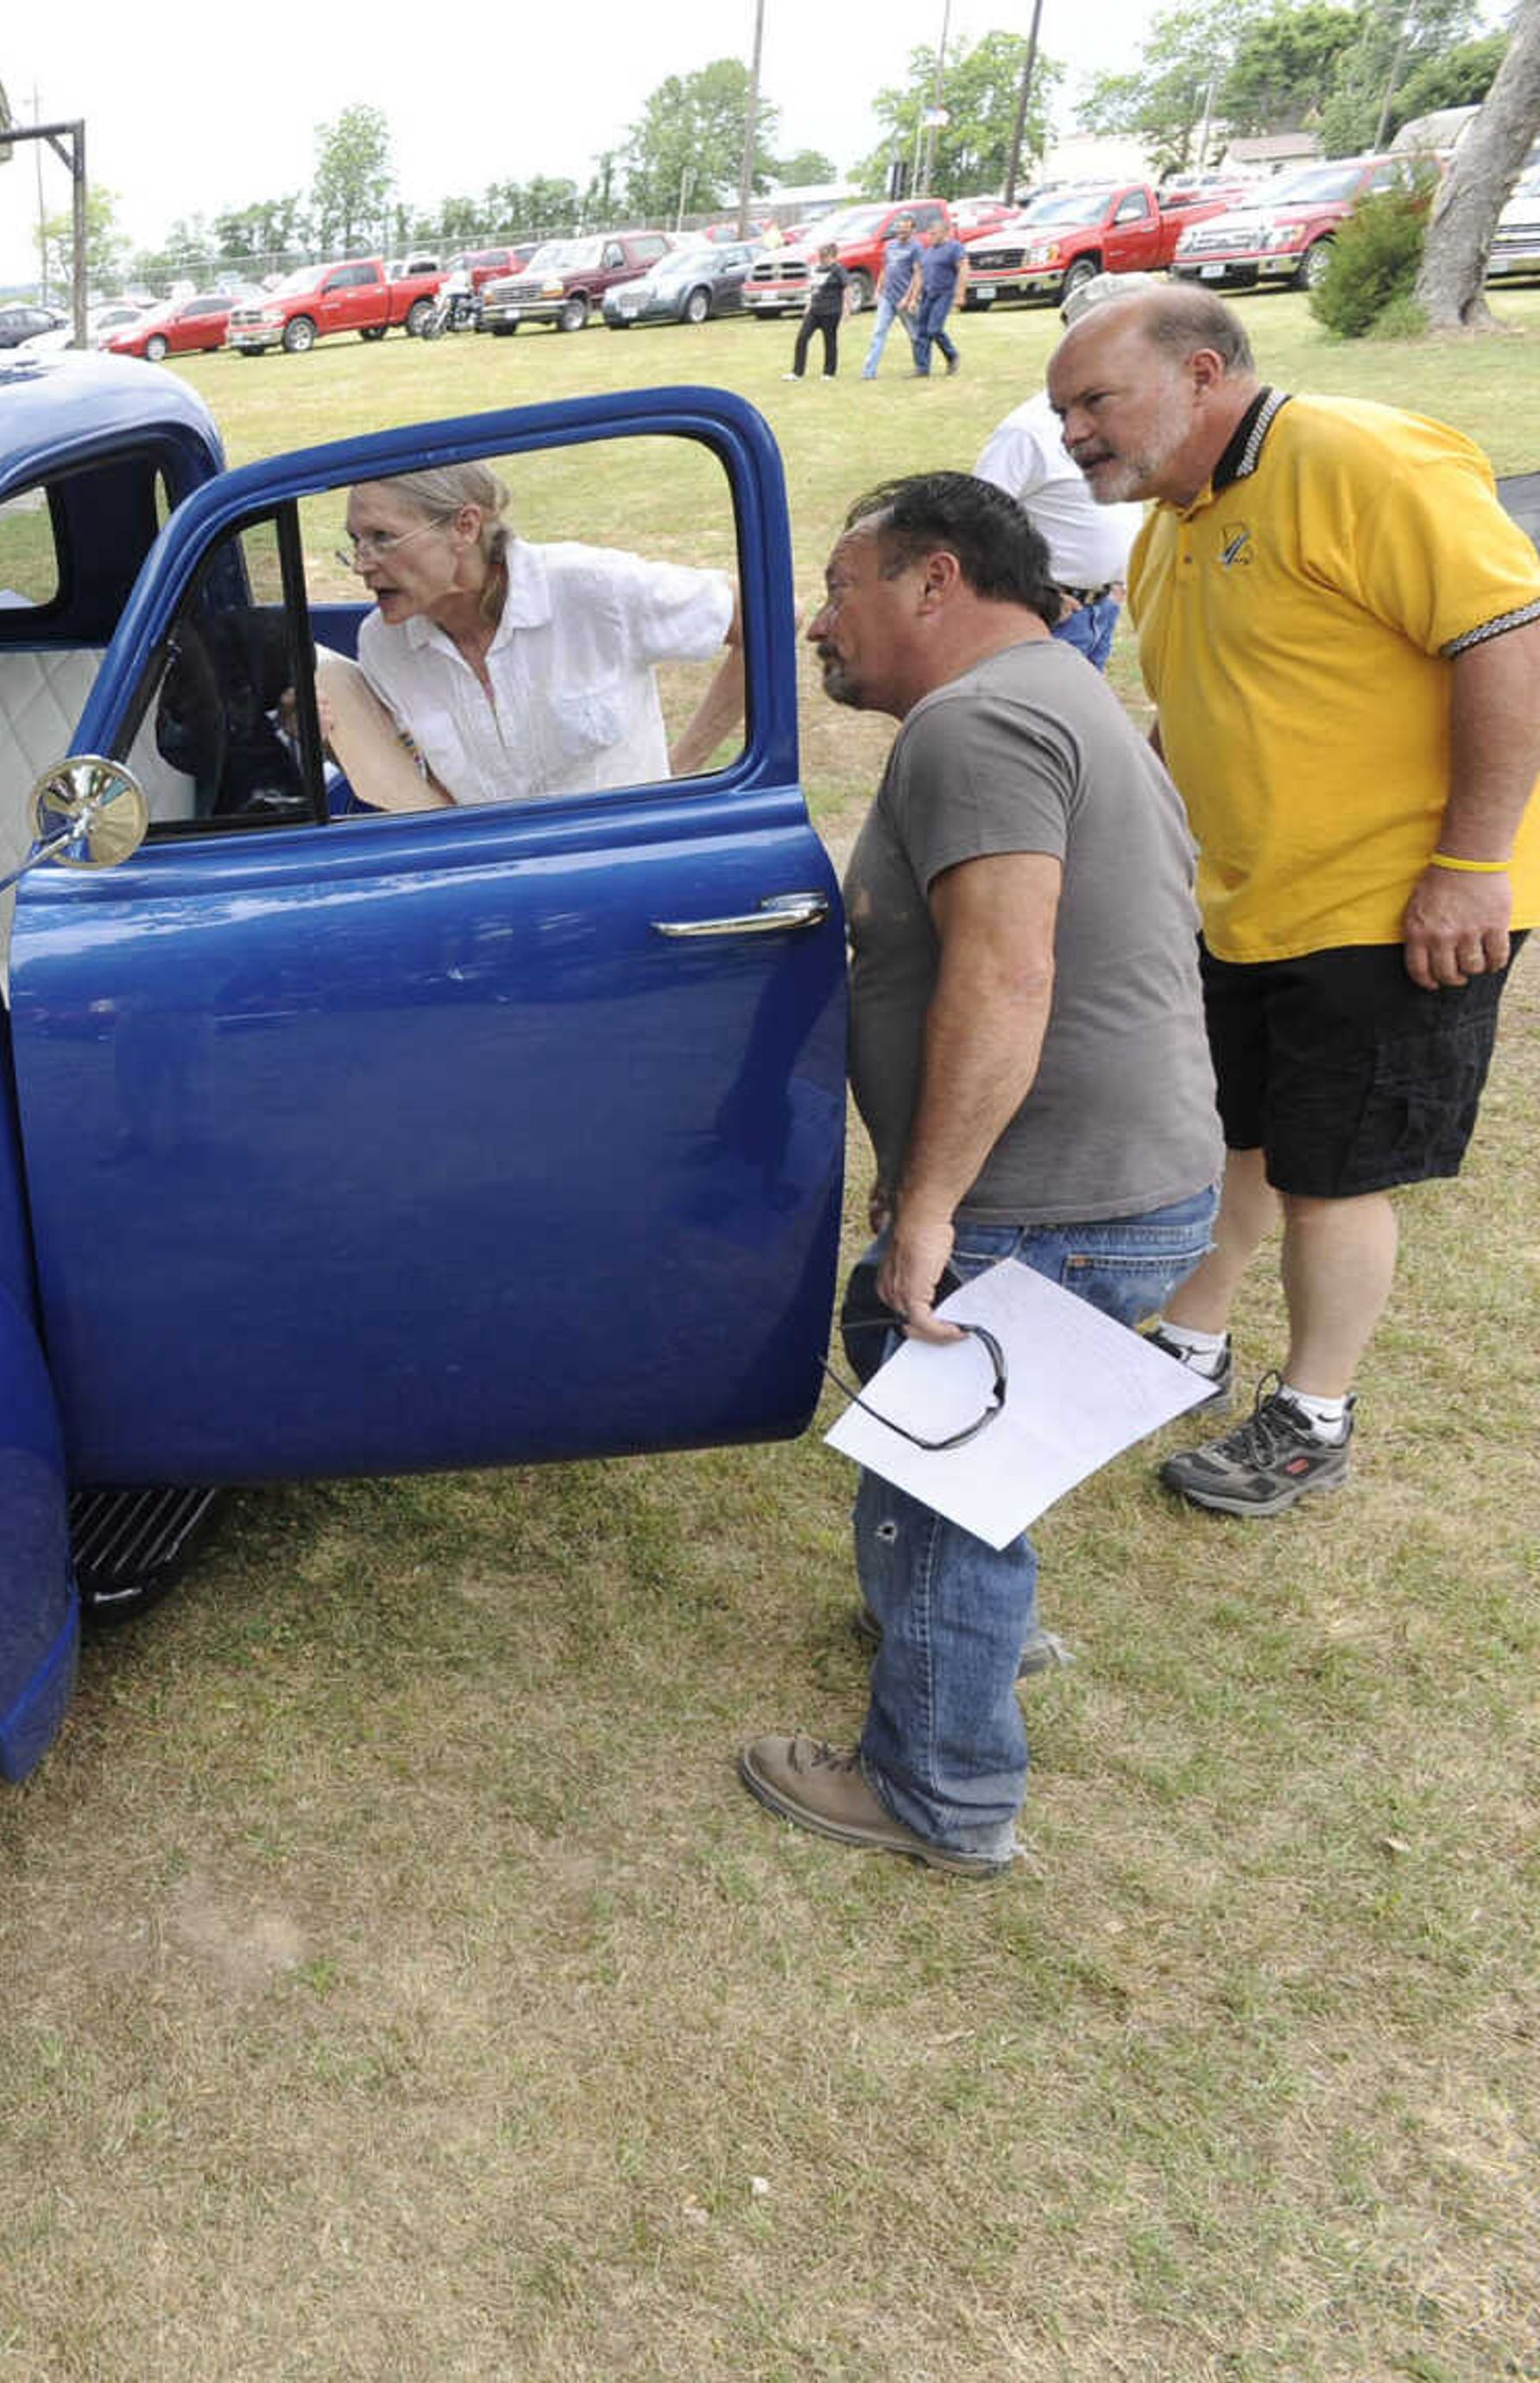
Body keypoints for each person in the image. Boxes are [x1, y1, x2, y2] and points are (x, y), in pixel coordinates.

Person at [741, 471, 1221, 1876]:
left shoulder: (979, 724)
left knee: (949, 1483)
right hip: (1119, 1174)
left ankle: (938, 1794)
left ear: (934, 581)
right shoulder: (1053, 694)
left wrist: (933, 1209)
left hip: (1055, 1194)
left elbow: (1006, 976)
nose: (820, 623)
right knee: (903, 1368)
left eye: (841, 588)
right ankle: (948, 1628)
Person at [1048, 286, 1540, 1517]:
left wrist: (1471, 865)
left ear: (1202, 373)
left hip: (1392, 902)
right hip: (1247, 901)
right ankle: (1193, 1344)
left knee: (1335, 1169)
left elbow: (1508, 638)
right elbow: (1196, 713)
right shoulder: (1169, 526)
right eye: (1062, 412)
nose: (1074, 435)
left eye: (1096, 402)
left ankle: (1315, 1416)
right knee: (1238, 1140)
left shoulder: (1359, 457)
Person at [313, 461, 746, 810]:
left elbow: (762, 613)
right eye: (355, 542)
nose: (360, 565)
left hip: (629, 870)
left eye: (381, 538)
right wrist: (332, 739)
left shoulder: (590, 588)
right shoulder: (381, 644)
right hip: (505, 891)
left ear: (464, 526)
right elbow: (426, 787)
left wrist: (679, 773)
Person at [971, 273, 1144, 669]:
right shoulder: (1029, 431)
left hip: (1100, 611)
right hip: (1050, 620)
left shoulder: (1134, 420)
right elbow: (970, 525)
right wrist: (1038, 595)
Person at [860, 212, 928, 380]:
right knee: (878, 333)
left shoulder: (916, 248)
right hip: (887, 298)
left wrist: (911, 299)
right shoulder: (890, 246)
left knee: (915, 334)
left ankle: (922, 367)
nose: (901, 233)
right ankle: (869, 372)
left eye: (905, 230)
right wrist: (877, 291)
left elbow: (918, 275)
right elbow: (885, 270)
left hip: (905, 299)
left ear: (913, 230)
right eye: (899, 229)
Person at [908, 217, 966, 376]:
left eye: (933, 234)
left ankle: (952, 356)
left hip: (944, 293)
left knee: (934, 329)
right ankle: (922, 368)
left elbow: (963, 269)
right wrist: (914, 298)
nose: (930, 237)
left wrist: (960, 294)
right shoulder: (928, 252)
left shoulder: (955, 248)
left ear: (944, 233)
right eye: (929, 234)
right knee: (921, 331)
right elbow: (920, 276)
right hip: (928, 294)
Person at [785, 243, 848, 381]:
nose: (821, 259)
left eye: (824, 256)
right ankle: (797, 372)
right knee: (802, 338)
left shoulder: (838, 270)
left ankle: (828, 372)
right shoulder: (817, 269)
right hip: (814, 311)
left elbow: (846, 288)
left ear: (832, 256)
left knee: (829, 341)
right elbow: (814, 289)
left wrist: (846, 309)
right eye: (820, 256)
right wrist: (808, 305)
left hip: (831, 311)